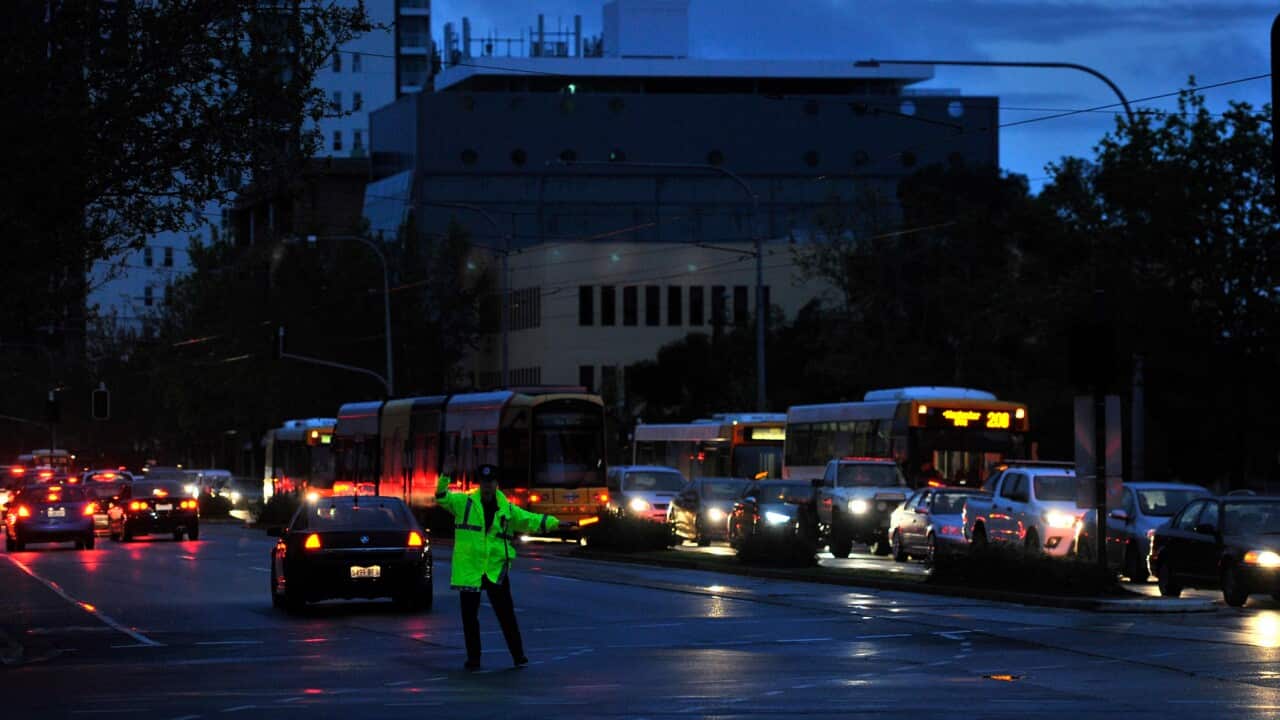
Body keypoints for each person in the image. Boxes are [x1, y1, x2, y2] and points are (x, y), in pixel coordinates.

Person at [435, 464, 565, 671]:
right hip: (470, 570)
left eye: (491, 482)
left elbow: (529, 520)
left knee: (506, 615)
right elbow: (442, 497)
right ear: (480, 484)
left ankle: (518, 655)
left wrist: (555, 523)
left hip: (495, 569)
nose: (487, 486)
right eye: (484, 482)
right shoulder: (464, 503)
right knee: (470, 618)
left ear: (496, 484)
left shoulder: (507, 510)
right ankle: (474, 659)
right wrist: (446, 476)